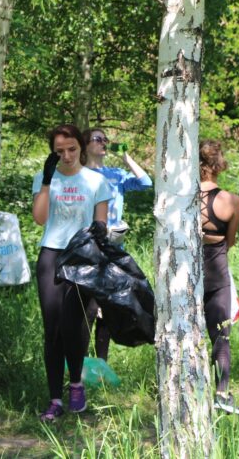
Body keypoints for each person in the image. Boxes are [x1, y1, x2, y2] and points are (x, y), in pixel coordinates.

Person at [32, 124, 112, 422]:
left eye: (71, 149)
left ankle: (75, 383)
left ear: (81, 147)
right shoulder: (46, 178)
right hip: (51, 255)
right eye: (59, 151)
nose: (66, 156)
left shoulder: (95, 181)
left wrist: (100, 236)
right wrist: (46, 181)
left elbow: (100, 222)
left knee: (73, 326)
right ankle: (54, 399)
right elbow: (39, 219)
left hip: (82, 256)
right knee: (52, 329)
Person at [82, 127, 152, 361]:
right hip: (87, 246)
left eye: (105, 139)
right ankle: (78, 362)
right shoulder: (80, 174)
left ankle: (101, 363)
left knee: (107, 306)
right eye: (97, 139)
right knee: (87, 308)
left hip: (113, 248)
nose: (103, 143)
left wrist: (125, 157)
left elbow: (145, 182)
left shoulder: (117, 174)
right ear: (85, 145)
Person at [199, 140, 239, 414]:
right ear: (219, 164)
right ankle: (221, 393)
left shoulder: (184, 196)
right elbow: (231, 241)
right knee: (221, 336)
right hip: (218, 274)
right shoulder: (232, 200)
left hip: (188, 276)